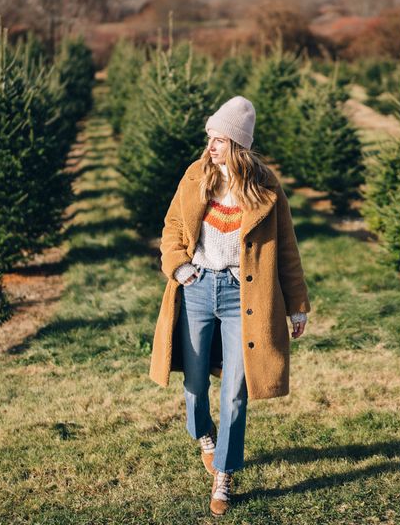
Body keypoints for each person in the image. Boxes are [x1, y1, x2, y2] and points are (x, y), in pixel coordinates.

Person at [149, 95, 311, 517]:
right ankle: (203, 434)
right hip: (198, 289)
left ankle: (224, 473)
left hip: (247, 298)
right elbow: (171, 227)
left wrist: (297, 305)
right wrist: (179, 267)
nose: (211, 146)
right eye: (209, 137)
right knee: (195, 384)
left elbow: (287, 248)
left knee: (236, 392)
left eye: (219, 139)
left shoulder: (265, 187)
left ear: (237, 144)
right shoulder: (195, 175)